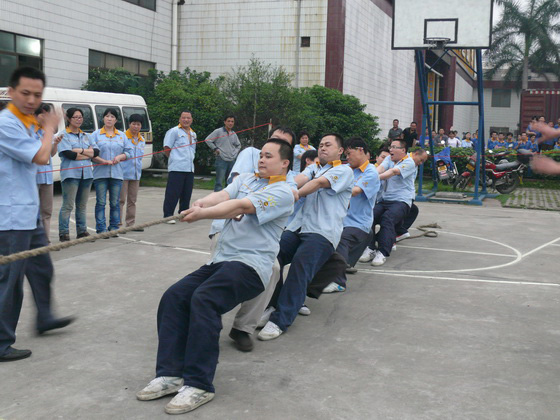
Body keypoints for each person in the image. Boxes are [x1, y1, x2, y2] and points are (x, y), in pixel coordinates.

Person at [136, 139, 294, 414]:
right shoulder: (246, 179)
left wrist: (201, 215)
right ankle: (170, 374)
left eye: (269, 156)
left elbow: (239, 206)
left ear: (284, 163)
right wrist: (200, 203)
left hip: (250, 265)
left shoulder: (283, 192)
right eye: (261, 155)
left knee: (205, 299)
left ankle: (199, 384)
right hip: (220, 260)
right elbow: (223, 195)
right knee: (174, 296)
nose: (261, 159)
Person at [0, 67, 74, 362]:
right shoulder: (6, 124)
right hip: (10, 217)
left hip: (26, 212)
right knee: (10, 282)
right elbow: (41, 157)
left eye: (37, 95)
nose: (32, 100)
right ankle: (1, 342)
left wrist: (45, 131)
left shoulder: (26, 123)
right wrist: (50, 128)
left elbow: (43, 153)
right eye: (25, 93)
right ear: (10, 92)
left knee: (42, 267)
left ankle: (45, 316)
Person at [258, 133, 353, 341]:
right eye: (321, 145)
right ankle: (273, 304)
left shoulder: (344, 170)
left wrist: (295, 194)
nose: (323, 148)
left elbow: (318, 184)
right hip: (298, 227)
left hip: (322, 232)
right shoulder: (313, 167)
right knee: (272, 256)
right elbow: (298, 179)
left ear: (340, 151)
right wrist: (284, 190)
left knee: (299, 269)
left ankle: (280, 320)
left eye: (328, 145)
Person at [322, 137, 380, 293]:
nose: (347, 158)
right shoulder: (346, 169)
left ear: (360, 150)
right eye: (345, 155)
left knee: (340, 240)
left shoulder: (371, 172)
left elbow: (355, 191)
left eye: (349, 154)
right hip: (341, 220)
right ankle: (341, 266)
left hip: (358, 224)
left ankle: (338, 281)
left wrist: (330, 187)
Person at [359, 139, 416, 266]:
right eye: (391, 147)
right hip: (384, 200)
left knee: (387, 218)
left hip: (401, 201)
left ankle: (382, 252)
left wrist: (372, 178)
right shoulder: (389, 159)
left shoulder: (409, 162)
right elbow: (380, 169)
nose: (391, 149)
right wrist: (367, 176)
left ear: (403, 150)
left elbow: (392, 172)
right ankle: (370, 248)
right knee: (369, 216)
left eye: (394, 147)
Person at [58, 108, 98, 242]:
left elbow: (96, 152)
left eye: (81, 117)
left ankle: (82, 231)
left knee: (82, 205)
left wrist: (79, 151)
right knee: (68, 205)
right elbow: (69, 155)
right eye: (76, 117)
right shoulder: (63, 135)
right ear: (69, 119)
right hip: (71, 175)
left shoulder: (87, 136)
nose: (79, 119)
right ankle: (64, 233)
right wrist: (87, 153)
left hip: (86, 174)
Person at [90, 108, 131, 235]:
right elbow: (91, 154)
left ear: (116, 120)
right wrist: (103, 161)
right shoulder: (95, 135)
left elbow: (128, 152)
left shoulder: (122, 135)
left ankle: (113, 227)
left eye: (112, 117)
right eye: (107, 116)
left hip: (117, 174)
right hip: (100, 173)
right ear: (103, 118)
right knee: (101, 202)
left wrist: (120, 157)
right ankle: (101, 229)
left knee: (115, 203)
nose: (109, 119)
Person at [34, 103, 62, 243]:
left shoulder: (48, 132)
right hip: (34, 177)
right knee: (33, 211)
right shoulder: (29, 132)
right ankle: (33, 241)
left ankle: (45, 239)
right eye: (43, 114)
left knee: (47, 210)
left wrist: (55, 143)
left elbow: (50, 154)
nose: (46, 118)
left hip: (47, 176)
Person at [163, 110, 197, 224]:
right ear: (180, 119)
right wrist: (174, 159)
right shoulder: (174, 131)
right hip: (177, 167)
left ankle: (183, 214)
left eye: (188, 118)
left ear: (191, 120)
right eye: (184, 118)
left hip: (189, 168)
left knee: (186, 193)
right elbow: (167, 148)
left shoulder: (193, 134)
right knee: (173, 193)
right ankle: (168, 215)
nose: (186, 120)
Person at [119, 114, 145, 231]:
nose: (136, 126)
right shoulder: (122, 137)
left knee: (132, 200)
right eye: (133, 124)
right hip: (123, 174)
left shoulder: (142, 140)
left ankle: (130, 224)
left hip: (136, 174)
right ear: (129, 124)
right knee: (120, 200)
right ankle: (118, 225)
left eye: (138, 124)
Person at [205, 115, 241, 191]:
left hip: (231, 160)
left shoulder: (233, 133)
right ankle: (217, 197)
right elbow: (208, 140)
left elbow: (238, 145)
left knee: (230, 182)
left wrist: (234, 153)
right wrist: (215, 149)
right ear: (224, 122)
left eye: (232, 121)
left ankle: (227, 198)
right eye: (228, 121)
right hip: (221, 159)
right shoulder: (218, 131)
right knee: (219, 182)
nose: (230, 123)